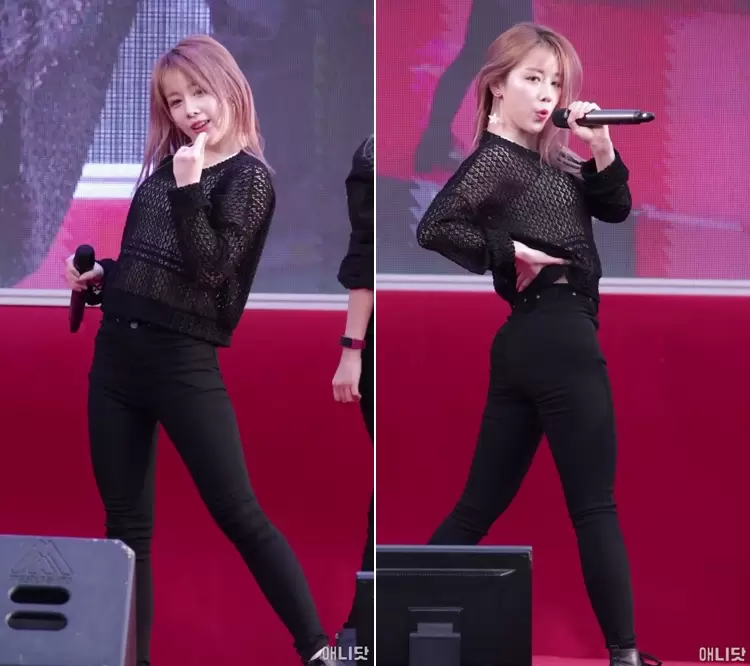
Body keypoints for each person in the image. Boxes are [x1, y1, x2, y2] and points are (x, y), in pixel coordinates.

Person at [64, 35, 341, 666]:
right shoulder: (171, 166)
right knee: (125, 531)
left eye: (199, 92)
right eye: (175, 100)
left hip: (182, 363)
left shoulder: (248, 178)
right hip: (116, 359)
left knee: (239, 513)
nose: (190, 109)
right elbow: (156, 265)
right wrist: (106, 274)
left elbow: (212, 271)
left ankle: (317, 652)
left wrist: (190, 190)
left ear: (229, 88)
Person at [416, 23, 659, 666]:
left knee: (475, 512)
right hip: (559, 336)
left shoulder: (552, 161)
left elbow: (615, 208)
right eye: (532, 78)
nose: (548, 93)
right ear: (496, 86)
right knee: (594, 507)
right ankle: (625, 656)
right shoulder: (496, 159)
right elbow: (434, 227)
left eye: (555, 81)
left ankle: (385, 623)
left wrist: (600, 144)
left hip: (524, 343)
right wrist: (510, 251)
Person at [331, 135, 374, 652]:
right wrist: (352, 348)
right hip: (391, 338)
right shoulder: (375, 154)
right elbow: (367, 252)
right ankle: (361, 634)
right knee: (388, 487)